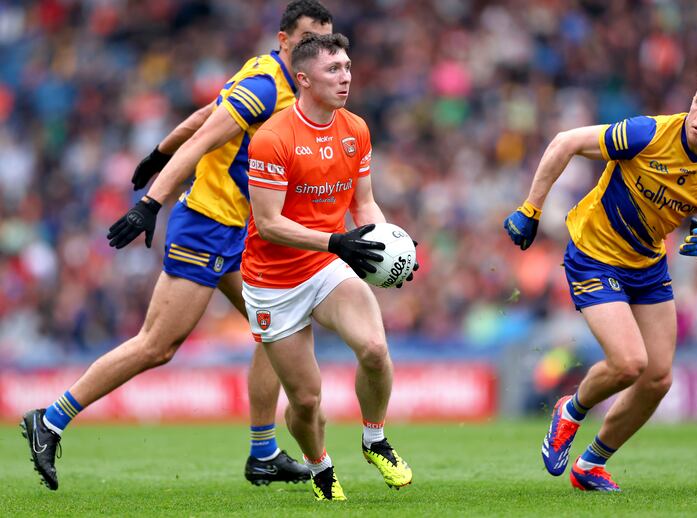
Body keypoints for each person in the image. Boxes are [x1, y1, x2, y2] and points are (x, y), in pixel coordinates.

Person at [21, 0, 335, 491]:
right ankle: (51, 419)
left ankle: (263, 452)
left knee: (275, 325)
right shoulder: (265, 87)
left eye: (324, 43)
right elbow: (205, 139)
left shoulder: (274, 77)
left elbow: (204, 114)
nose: (316, 52)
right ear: (284, 41)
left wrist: (157, 151)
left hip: (238, 232)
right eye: (307, 41)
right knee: (157, 345)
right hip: (207, 225)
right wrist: (151, 202)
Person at [504, 70, 697, 491]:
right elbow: (566, 142)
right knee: (628, 363)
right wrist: (531, 209)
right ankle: (571, 410)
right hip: (594, 255)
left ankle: (590, 464)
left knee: (658, 378)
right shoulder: (647, 133)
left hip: (647, 265)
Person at [243, 33, 417, 501]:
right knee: (305, 400)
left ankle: (375, 439)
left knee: (376, 350)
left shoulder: (355, 128)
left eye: (347, 67)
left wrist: (389, 247)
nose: (345, 77)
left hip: (327, 265)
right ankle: (321, 469)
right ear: (303, 79)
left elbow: (364, 204)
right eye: (333, 70)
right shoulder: (273, 138)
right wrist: (335, 240)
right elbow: (268, 223)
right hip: (273, 281)